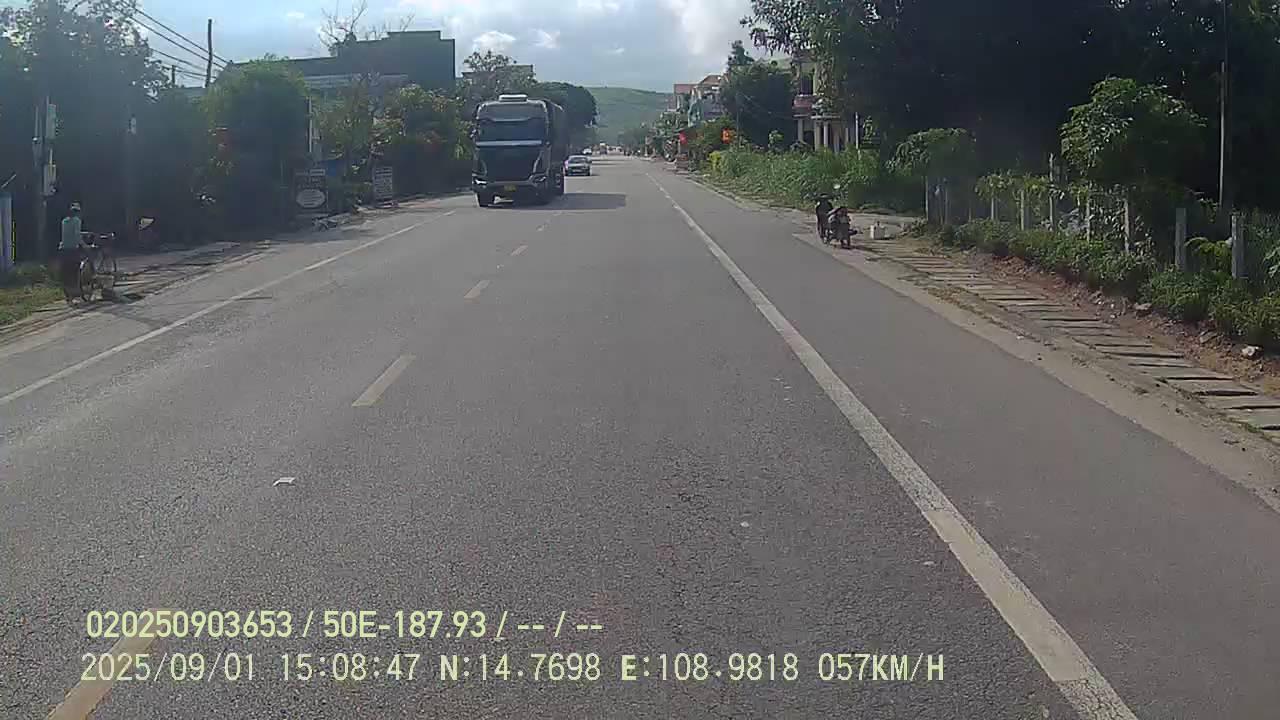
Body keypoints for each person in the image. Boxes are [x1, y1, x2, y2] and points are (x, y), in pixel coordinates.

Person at [58, 203, 85, 295]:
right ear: (78, 212)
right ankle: (76, 289)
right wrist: (84, 244)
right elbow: (77, 235)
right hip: (72, 248)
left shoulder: (64, 221)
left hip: (63, 248)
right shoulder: (77, 221)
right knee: (76, 269)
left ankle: (67, 290)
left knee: (66, 270)